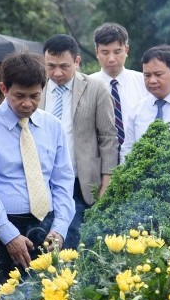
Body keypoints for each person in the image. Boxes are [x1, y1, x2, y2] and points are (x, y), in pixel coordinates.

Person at [0, 52, 75, 292]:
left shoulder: (52, 127)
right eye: (20, 96)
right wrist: (9, 236)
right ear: (4, 88)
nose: (27, 104)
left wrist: (60, 227)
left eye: (35, 96)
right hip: (1, 229)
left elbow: (63, 182)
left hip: (46, 226)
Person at [40, 34, 117, 248]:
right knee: (45, 241)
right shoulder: (37, 88)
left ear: (77, 61)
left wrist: (106, 181)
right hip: (43, 181)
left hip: (80, 181)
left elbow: (108, 138)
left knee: (75, 244)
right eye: (51, 66)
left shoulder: (95, 88)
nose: (57, 73)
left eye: (64, 66)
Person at [120, 45, 170, 159]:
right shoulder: (137, 111)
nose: (152, 80)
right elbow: (128, 149)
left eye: (158, 74)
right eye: (147, 75)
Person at [88, 23, 145, 154]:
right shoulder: (86, 85)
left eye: (117, 52)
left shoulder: (143, 83)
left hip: (137, 158)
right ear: (96, 52)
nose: (111, 59)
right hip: (99, 160)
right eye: (105, 52)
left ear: (126, 50)